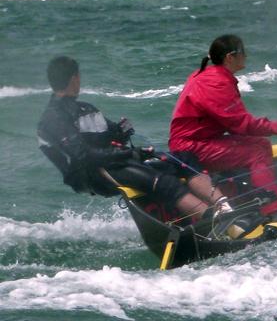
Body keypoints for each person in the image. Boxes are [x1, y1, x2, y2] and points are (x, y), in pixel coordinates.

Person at [37, 56, 245, 238]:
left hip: (113, 160)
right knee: (165, 184)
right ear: (74, 78)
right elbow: (83, 156)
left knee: (184, 159)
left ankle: (225, 207)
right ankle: (224, 226)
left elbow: (107, 134)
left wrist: (120, 131)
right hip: (92, 173)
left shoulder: (85, 108)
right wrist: (129, 153)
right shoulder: (53, 117)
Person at [169, 34, 277, 219]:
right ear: (230, 57)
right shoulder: (216, 83)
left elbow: (235, 125)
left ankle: (239, 203)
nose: (246, 56)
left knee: (258, 144)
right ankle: (274, 211)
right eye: (242, 52)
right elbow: (243, 125)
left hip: (198, 142)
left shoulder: (209, 76)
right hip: (191, 147)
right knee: (256, 152)